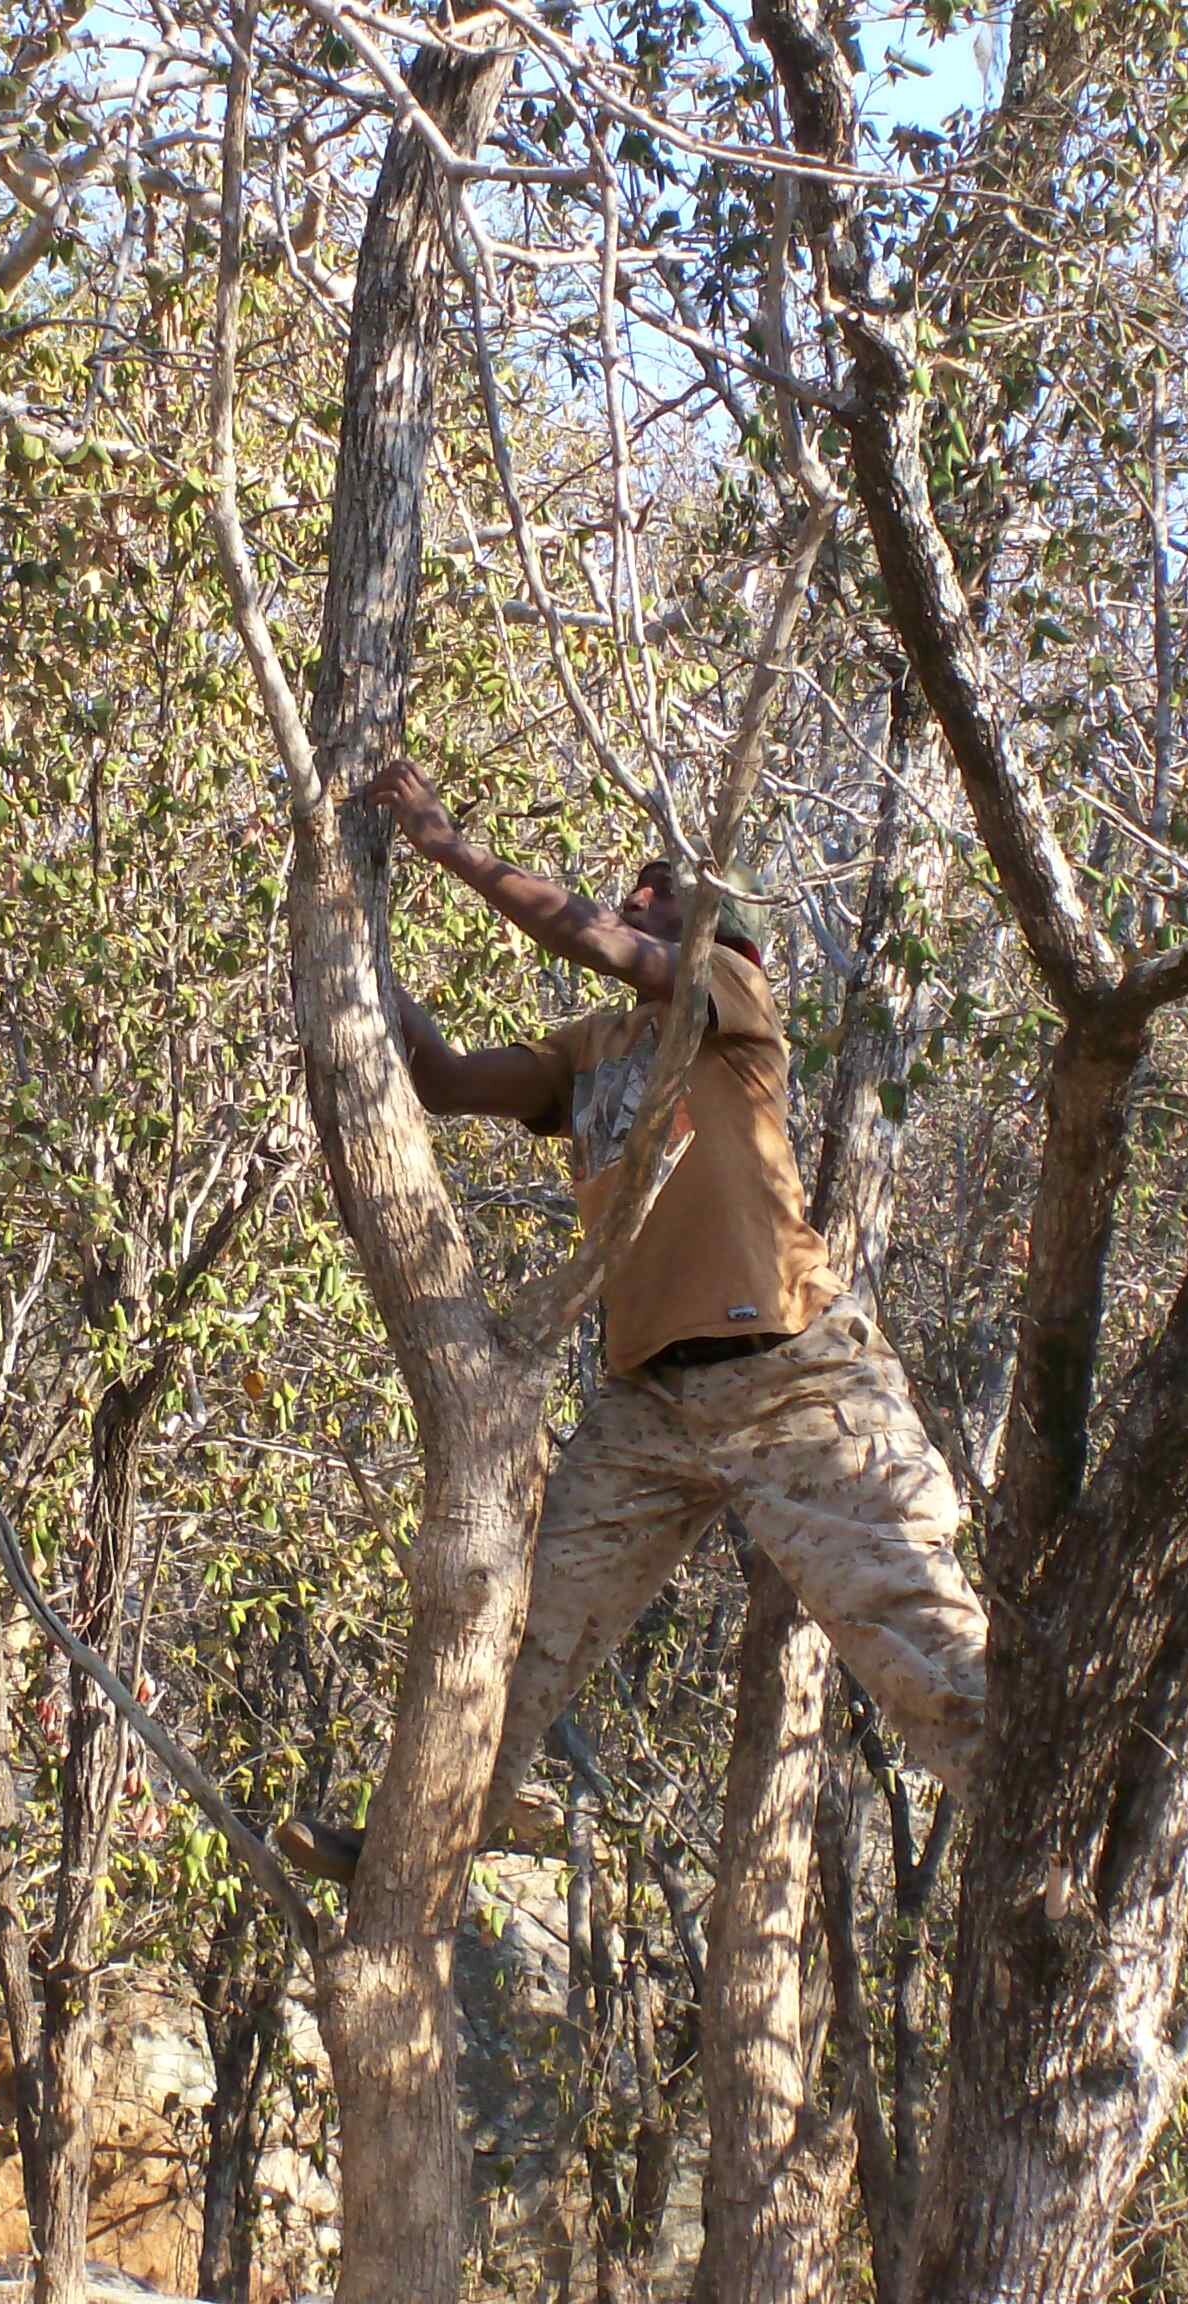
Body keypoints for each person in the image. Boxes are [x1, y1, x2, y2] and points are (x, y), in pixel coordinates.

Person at [278, 763, 991, 1885]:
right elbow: (451, 1082)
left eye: (661, 893)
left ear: (720, 928)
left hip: (794, 1374)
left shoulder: (733, 1001)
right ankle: (412, 1850)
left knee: (903, 1614)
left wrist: (450, 847)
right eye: (642, 888)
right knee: (516, 1625)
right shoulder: (596, 1048)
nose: (636, 900)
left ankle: (1030, 1801)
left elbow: (606, 945)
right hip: (650, 1399)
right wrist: (351, 952)